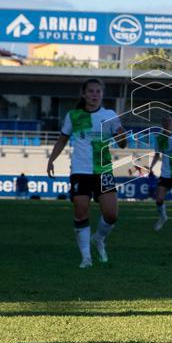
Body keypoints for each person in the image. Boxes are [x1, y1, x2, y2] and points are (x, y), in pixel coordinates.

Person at [47, 78, 128, 268]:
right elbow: (62, 140)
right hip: (80, 170)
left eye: (98, 91)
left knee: (111, 215)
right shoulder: (73, 116)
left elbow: (122, 144)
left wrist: (122, 137)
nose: (94, 94)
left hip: (103, 169)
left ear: (102, 94)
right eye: (91, 91)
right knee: (81, 210)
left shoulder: (109, 115)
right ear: (84, 94)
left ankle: (98, 238)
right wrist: (51, 160)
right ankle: (86, 257)